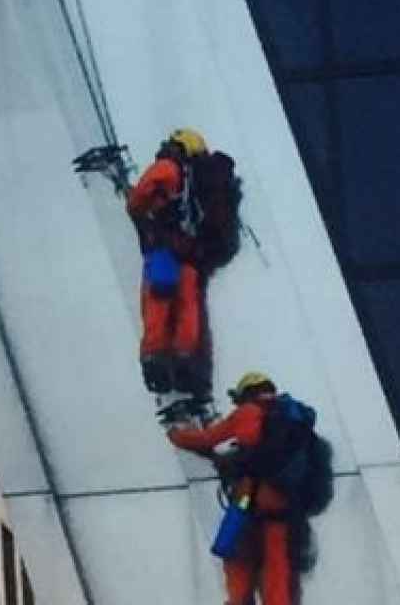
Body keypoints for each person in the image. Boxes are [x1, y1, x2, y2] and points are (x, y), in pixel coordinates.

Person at [167, 372, 296, 605]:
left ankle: (239, 600)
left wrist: (176, 435)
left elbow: (208, 439)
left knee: (235, 550)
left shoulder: (248, 412)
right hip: (282, 501)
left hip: (250, 496)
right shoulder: (288, 415)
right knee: (276, 563)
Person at [128, 127, 209, 394]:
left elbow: (139, 197)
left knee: (157, 301)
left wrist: (139, 212)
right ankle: (185, 358)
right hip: (189, 250)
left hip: (163, 246)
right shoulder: (194, 179)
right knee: (188, 305)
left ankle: (155, 361)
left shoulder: (167, 167)